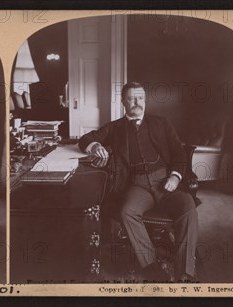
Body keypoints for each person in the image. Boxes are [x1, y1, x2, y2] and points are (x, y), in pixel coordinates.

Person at [78, 82, 198, 282]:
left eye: (140, 98)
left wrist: (175, 176)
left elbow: (179, 153)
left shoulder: (161, 123)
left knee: (188, 207)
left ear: (145, 100)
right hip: (137, 186)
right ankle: (151, 265)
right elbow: (85, 138)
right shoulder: (115, 128)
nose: (137, 102)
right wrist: (95, 146)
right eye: (132, 98)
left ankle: (185, 272)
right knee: (127, 211)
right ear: (123, 101)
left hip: (166, 182)